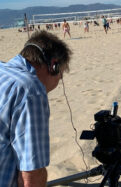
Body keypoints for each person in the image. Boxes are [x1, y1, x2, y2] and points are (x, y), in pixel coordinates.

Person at [0, 30, 72, 186]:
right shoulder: (30, 90)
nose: (60, 79)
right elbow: (31, 173)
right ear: (54, 66)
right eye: (61, 74)